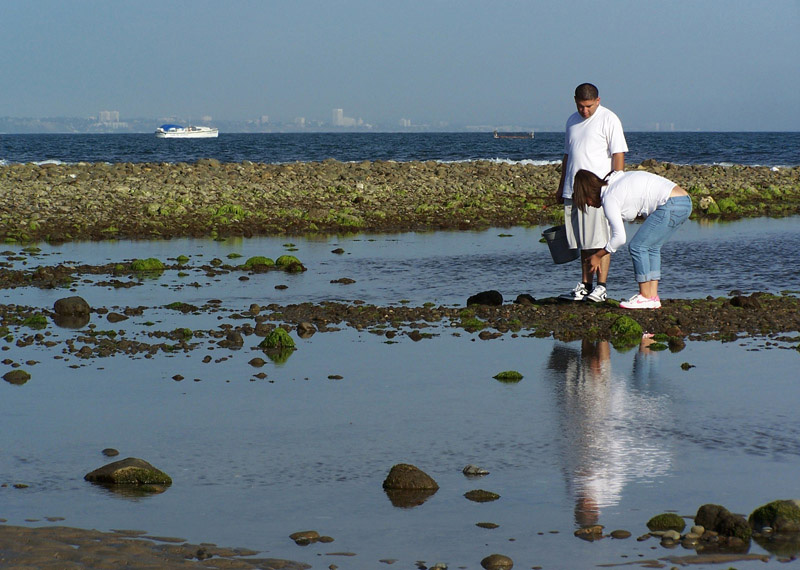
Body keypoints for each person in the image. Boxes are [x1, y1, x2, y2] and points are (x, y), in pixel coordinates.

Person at [571, 169, 693, 309]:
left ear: (589, 194)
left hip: (671, 204)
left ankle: (645, 297)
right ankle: (652, 297)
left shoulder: (609, 198)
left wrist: (598, 255)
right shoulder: (613, 183)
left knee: (637, 246)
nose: (588, 205)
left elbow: (620, 238)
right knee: (651, 247)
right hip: (684, 202)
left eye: (585, 201)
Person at [556, 83, 628, 303]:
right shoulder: (571, 121)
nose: (584, 111)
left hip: (597, 192)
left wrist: (615, 185)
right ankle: (586, 285)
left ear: (597, 100)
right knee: (583, 241)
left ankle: (601, 287)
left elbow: (618, 155)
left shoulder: (609, 119)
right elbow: (568, 156)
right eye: (580, 106)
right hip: (573, 189)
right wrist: (561, 187)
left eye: (588, 106)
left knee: (600, 240)